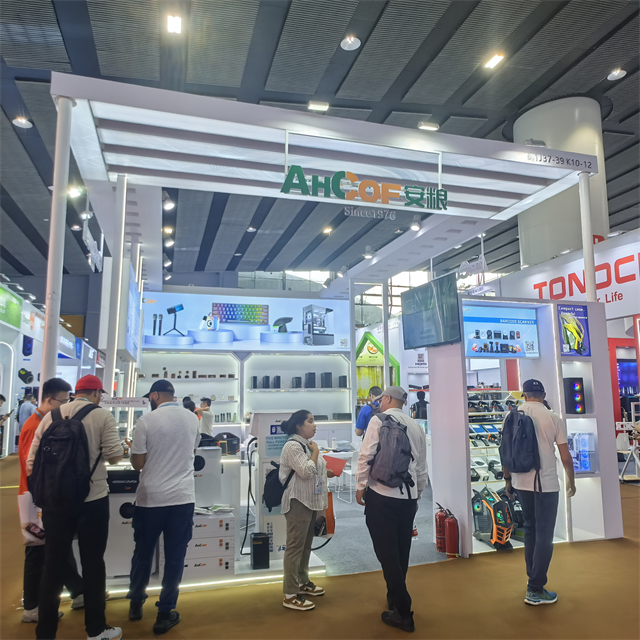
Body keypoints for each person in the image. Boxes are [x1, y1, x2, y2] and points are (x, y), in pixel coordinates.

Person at [27, 374, 124, 640]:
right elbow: (115, 456)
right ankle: (96, 631)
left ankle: (45, 633)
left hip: (55, 502)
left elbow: (32, 461)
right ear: (97, 393)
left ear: (76, 392)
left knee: (53, 565)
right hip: (92, 500)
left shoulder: (51, 416)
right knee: (93, 564)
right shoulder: (102, 416)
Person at [127, 379, 200, 634]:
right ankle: (165, 613)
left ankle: (136, 604)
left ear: (155, 395)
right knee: (175, 556)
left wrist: (136, 453)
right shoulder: (192, 419)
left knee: (143, 553)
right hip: (182, 498)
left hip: (151, 499)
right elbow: (191, 453)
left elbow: (138, 464)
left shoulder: (146, 421)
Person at [356, 386, 428, 633]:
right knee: (401, 551)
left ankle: (403, 610)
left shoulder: (378, 420)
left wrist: (360, 486)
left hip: (381, 495)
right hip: (407, 498)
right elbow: (421, 468)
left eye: (381, 399)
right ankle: (394, 599)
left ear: (386, 399)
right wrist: (417, 495)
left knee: (386, 554)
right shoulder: (416, 426)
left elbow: (366, 456)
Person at [504, 379, 576, 606]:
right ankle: (535, 588)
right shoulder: (553, 418)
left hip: (520, 481)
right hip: (545, 485)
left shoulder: (511, 416)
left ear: (524, 395)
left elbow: (505, 451)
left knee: (530, 530)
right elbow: (565, 457)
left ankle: (532, 578)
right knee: (545, 535)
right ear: (543, 395)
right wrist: (571, 481)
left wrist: (508, 480)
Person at [18, 378, 84, 623]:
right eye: (63, 401)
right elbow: (31, 467)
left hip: (45, 496)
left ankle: (78, 592)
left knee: (57, 546)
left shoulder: (46, 422)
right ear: (49, 399)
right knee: (36, 552)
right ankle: (32, 606)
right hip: (35, 497)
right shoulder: (34, 425)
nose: (65, 406)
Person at [279, 410, 334, 612]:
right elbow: (306, 470)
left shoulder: (306, 445)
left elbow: (314, 469)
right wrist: (316, 452)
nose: (314, 425)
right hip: (298, 502)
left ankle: (302, 581)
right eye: (310, 421)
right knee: (295, 547)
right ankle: (290, 594)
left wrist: (327, 471)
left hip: (310, 501)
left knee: (305, 546)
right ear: (299, 426)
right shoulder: (293, 446)